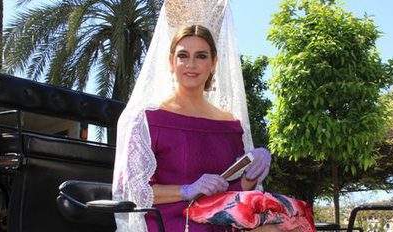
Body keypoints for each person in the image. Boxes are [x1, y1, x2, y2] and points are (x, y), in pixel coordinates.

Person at [112, 1, 312, 231]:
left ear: (214, 64)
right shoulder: (147, 120)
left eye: (201, 56)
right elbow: (135, 192)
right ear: (171, 62)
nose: (191, 64)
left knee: (290, 226)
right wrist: (186, 190)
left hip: (224, 221)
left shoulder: (229, 123)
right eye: (183, 55)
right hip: (174, 222)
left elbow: (236, 189)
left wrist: (253, 170)